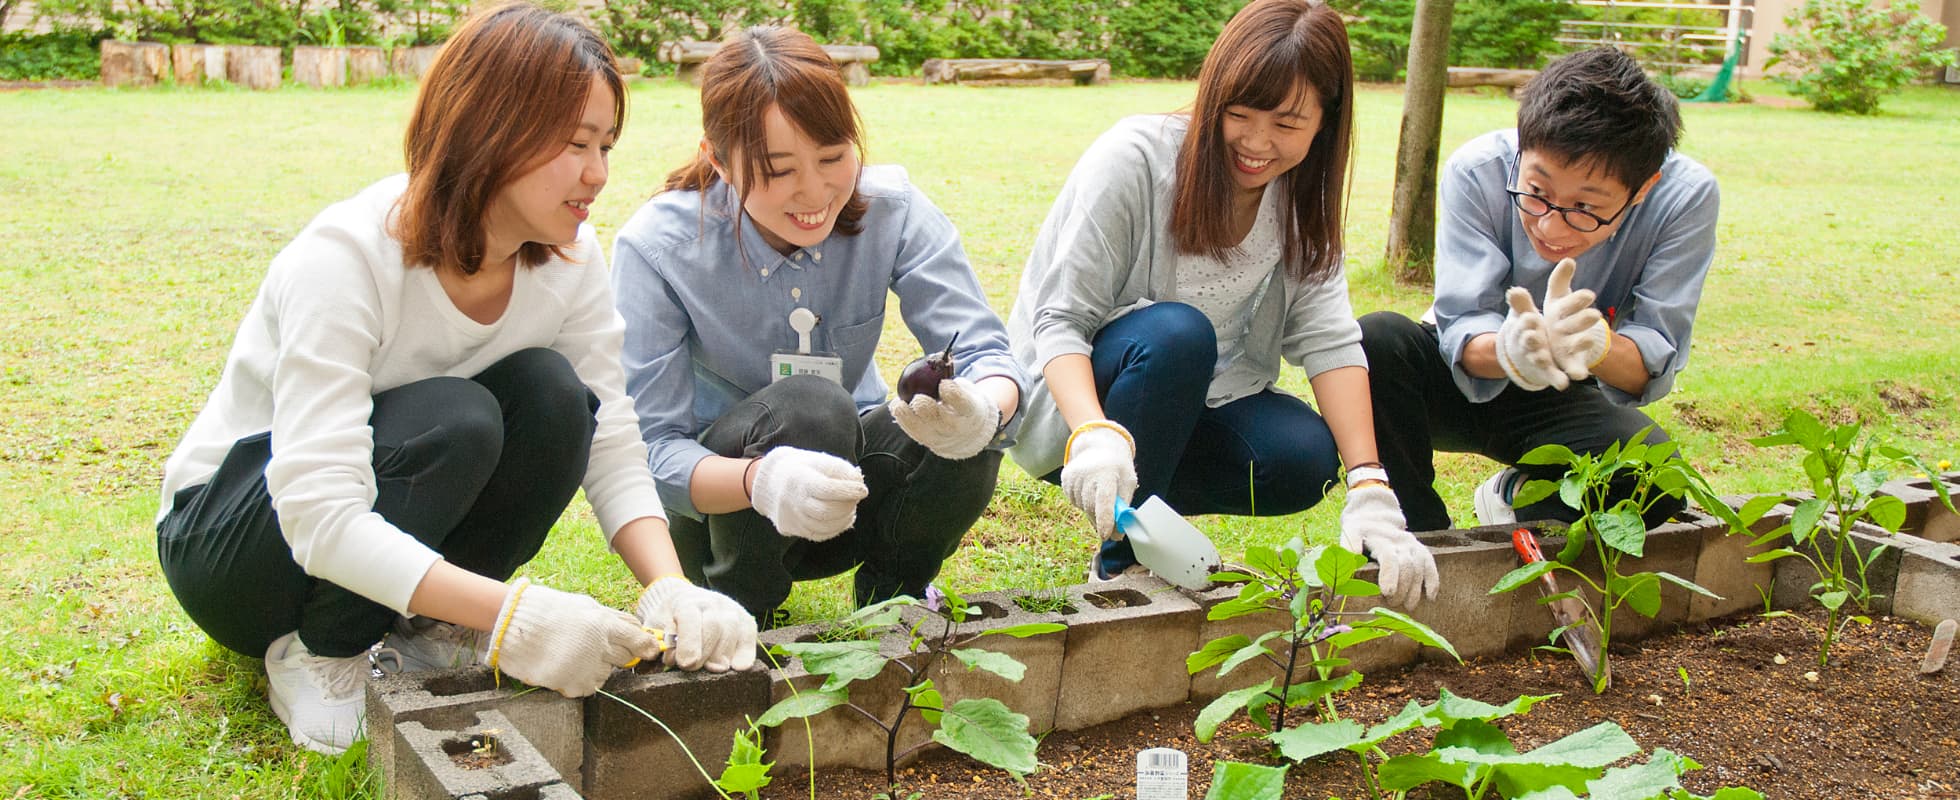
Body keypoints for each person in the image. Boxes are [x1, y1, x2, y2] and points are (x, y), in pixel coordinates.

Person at [154, 3, 756, 756]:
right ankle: (323, 653)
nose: (598, 173)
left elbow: (610, 437)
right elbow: (317, 513)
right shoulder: (345, 259)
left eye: (605, 144)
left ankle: (430, 632)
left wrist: (671, 586)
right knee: (458, 416)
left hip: (363, 516)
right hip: (237, 548)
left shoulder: (569, 258)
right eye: (575, 144)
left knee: (557, 397)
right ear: (489, 130)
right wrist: (516, 619)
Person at [1005, 0, 1438, 609]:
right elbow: (1061, 319)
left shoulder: (1300, 197)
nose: (1257, 144)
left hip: (1197, 403)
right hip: (1086, 409)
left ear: (1325, 121)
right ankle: (1119, 569)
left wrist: (1369, 484)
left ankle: (1145, 505)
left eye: (1287, 125)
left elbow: (1330, 340)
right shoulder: (1135, 160)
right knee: (1179, 334)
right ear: (1214, 99)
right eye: (1240, 114)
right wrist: (1097, 435)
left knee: (1302, 457)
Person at [612, 26, 1026, 625]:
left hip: (849, 496)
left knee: (960, 414)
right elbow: (649, 451)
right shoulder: (658, 247)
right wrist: (759, 480)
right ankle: (738, 610)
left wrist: (983, 410)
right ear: (718, 161)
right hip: (723, 515)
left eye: (833, 157)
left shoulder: (894, 210)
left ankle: (894, 602)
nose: (814, 191)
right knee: (812, 408)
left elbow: (989, 351)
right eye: (778, 170)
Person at [1358, 46, 1719, 531]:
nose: (1550, 225)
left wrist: (1594, 344)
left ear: (1643, 188)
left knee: (1657, 479)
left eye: (1585, 208)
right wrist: (1511, 351)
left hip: (1565, 393)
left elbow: (1651, 361)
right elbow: (1463, 321)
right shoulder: (1478, 170)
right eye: (1537, 192)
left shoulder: (1686, 198)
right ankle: (1415, 530)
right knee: (1376, 340)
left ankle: (1519, 499)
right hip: (1461, 376)